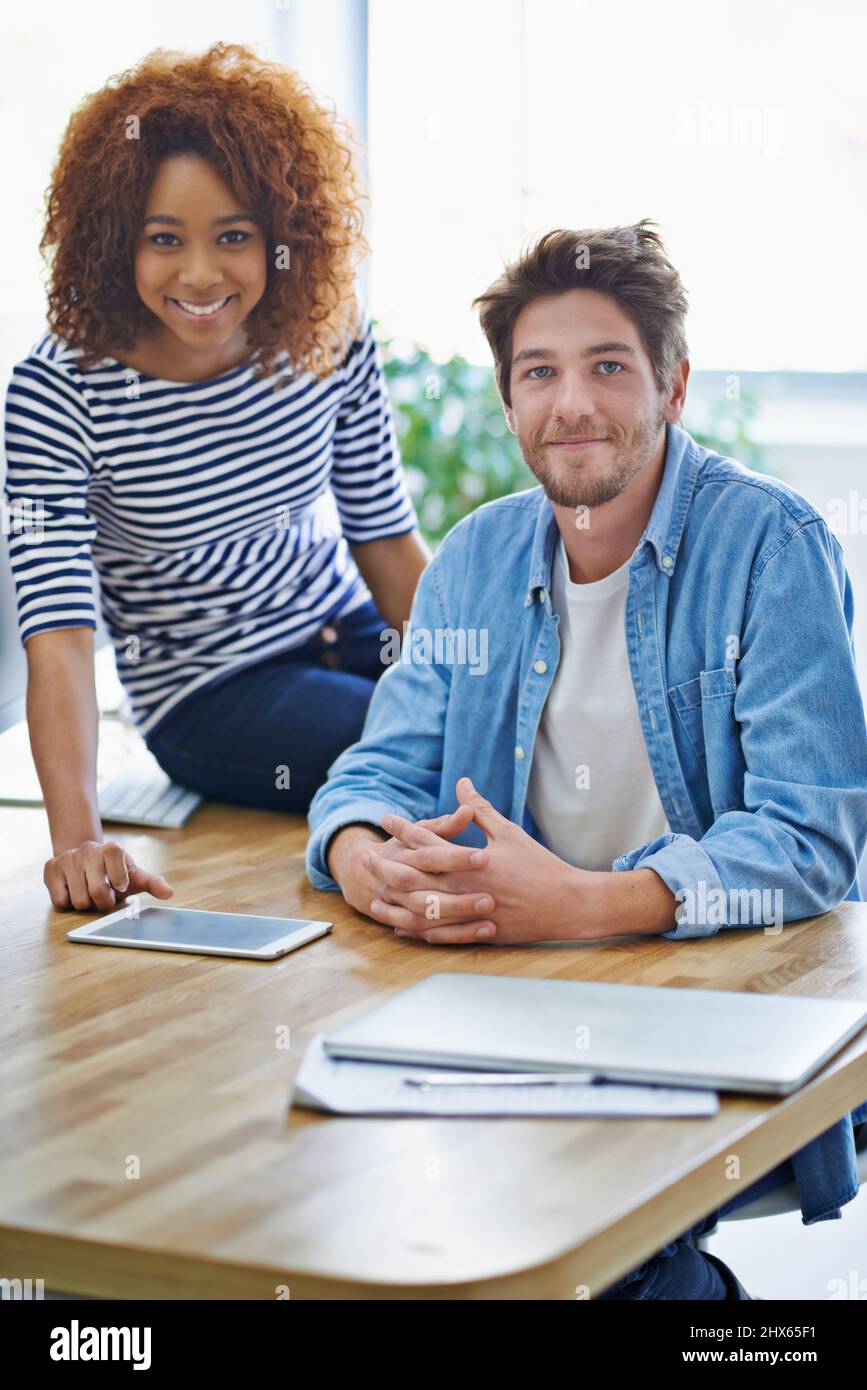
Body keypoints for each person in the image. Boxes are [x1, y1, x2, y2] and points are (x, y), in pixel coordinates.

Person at [305, 219, 867, 1298]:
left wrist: (585, 902)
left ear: (674, 384)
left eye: (608, 367)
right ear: (510, 400)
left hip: (713, 996)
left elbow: (812, 837)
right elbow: (372, 772)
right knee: (359, 1203)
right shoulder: (472, 557)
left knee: (581, 1265)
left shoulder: (774, 546)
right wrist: (369, 854)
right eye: (539, 372)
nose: (571, 404)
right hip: (511, 991)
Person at [3, 43, 427, 914]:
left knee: (525, 709)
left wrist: (485, 665)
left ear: (283, 239)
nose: (199, 275)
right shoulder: (58, 393)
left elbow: (382, 534)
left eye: (233, 237)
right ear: (116, 241)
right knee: (436, 744)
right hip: (212, 695)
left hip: (337, 626)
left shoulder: (325, 331)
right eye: (164, 241)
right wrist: (78, 839)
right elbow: (61, 636)